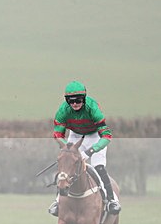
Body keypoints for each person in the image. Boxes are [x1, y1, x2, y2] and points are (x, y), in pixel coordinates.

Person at [49, 80, 120, 216]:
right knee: (66, 166)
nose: (75, 104)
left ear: (84, 98)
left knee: (99, 167)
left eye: (78, 100)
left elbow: (107, 136)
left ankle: (112, 200)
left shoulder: (93, 108)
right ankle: (58, 202)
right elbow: (58, 134)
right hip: (76, 136)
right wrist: (66, 148)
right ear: (67, 101)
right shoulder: (63, 111)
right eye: (71, 101)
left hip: (95, 136)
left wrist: (91, 151)